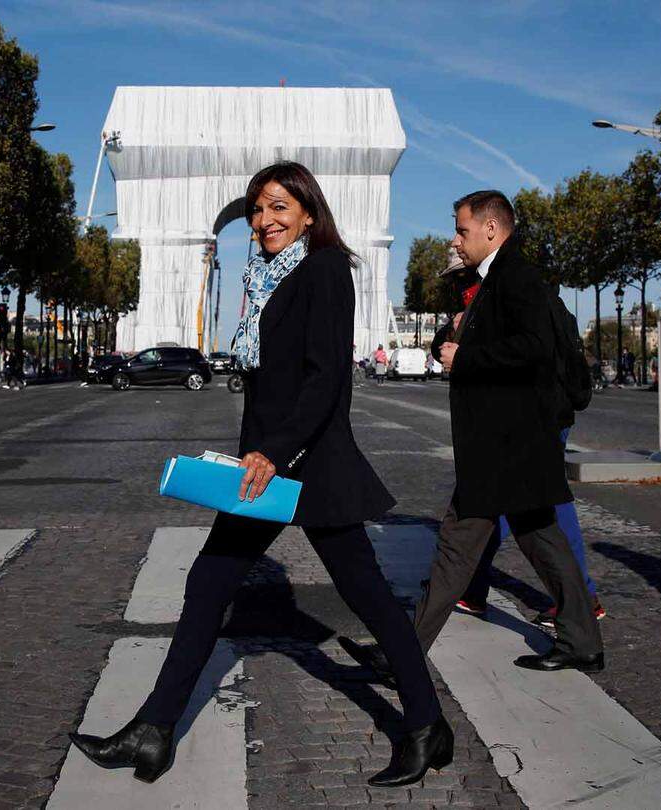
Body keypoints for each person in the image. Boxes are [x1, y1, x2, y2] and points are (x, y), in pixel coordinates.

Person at [69, 162, 453, 788]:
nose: (265, 219)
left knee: (369, 599)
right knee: (209, 583)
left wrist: (273, 452)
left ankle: (426, 724)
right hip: (264, 464)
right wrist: (257, 451)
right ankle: (154, 730)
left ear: (308, 210)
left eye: (279, 206)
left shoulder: (325, 269)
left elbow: (326, 377)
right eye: (256, 208)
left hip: (308, 463)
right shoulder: (263, 276)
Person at [345, 190, 603, 675]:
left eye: (462, 230)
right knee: (530, 540)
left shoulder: (517, 277)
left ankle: (401, 654)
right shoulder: (496, 280)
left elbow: (534, 349)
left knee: (458, 548)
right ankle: (583, 639)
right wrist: (456, 336)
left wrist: (467, 357)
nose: (456, 240)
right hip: (506, 442)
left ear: (491, 228)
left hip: (507, 441)